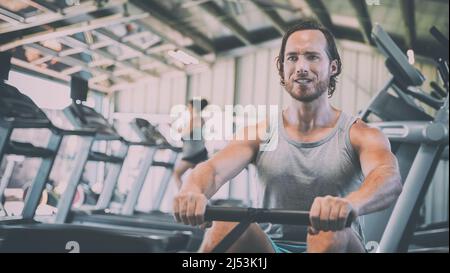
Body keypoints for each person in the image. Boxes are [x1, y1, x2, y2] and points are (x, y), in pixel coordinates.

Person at [172, 19, 403, 253]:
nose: (301, 66)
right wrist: (192, 191)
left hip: (337, 244)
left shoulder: (357, 133)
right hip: (272, 248)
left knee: (328, 232)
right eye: (292, 58)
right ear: (281, 67)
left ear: (332, 66)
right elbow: (213, 170)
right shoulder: (262, 133)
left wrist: (350, 204)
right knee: (225, 225)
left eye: (312, 57)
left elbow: (388, 177)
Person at [173, 98, 209, 190]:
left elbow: (186, 133)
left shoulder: (195, 119)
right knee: (197, 178)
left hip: (193, 154)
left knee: (177, 174)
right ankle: (192, 196)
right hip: (199, 151)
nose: (188, 109)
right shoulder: (199, 119)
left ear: (194, 108)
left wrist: (177, 130)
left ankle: (183, 196)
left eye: (189, 107)